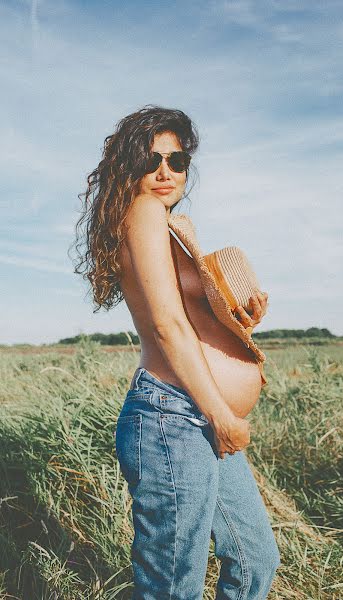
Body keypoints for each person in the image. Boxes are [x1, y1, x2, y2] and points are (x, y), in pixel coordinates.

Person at [73, 104, 281, 599]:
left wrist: (238, 314)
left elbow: (190, 318)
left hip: (199, 416)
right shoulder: (143, 212)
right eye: (150, 161)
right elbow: (166, 327)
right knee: (172, 585)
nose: (165, 171)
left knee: (254, 559)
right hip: (175, 416)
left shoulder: (166, 223)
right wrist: (222, 415)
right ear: (130, 167)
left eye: (177, 160)